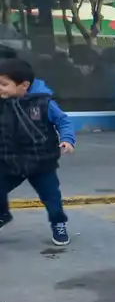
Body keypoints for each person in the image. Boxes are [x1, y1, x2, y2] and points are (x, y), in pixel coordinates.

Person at [0, 52, 76, 246]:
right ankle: (2, 215)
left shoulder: (44, 103)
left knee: (52, 198)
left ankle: (59, 223)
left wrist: (67, 140)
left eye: (3, 84)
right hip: (9, 161)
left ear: (23, 85)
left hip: (41, 162)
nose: (0, 89)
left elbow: (63, 121)